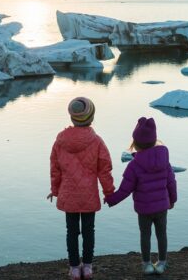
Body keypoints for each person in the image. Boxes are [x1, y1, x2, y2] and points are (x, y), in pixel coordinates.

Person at [48, 97, 115, 280]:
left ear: (72, 118)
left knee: (71, 232)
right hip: (88, 195)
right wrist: (109, 192)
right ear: (91, 117)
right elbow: (105, 169)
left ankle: (74, 268)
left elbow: (55, 169)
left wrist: (55, 190)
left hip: (68, 195)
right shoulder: (97, 141)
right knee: (88, 231)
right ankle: (87, 266)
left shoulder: (60, 141)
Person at [105, 117, 177, 275]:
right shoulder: (165, 161)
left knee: (145, 235)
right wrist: (172, 200)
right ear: (154, 140)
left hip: (144, 209)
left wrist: (111, 199)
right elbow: (171, 182)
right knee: (161, 234)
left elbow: (125, 190)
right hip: (162, 206)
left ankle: (147, 264)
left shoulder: (134, 165)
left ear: (135, 143)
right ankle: (162, 263)